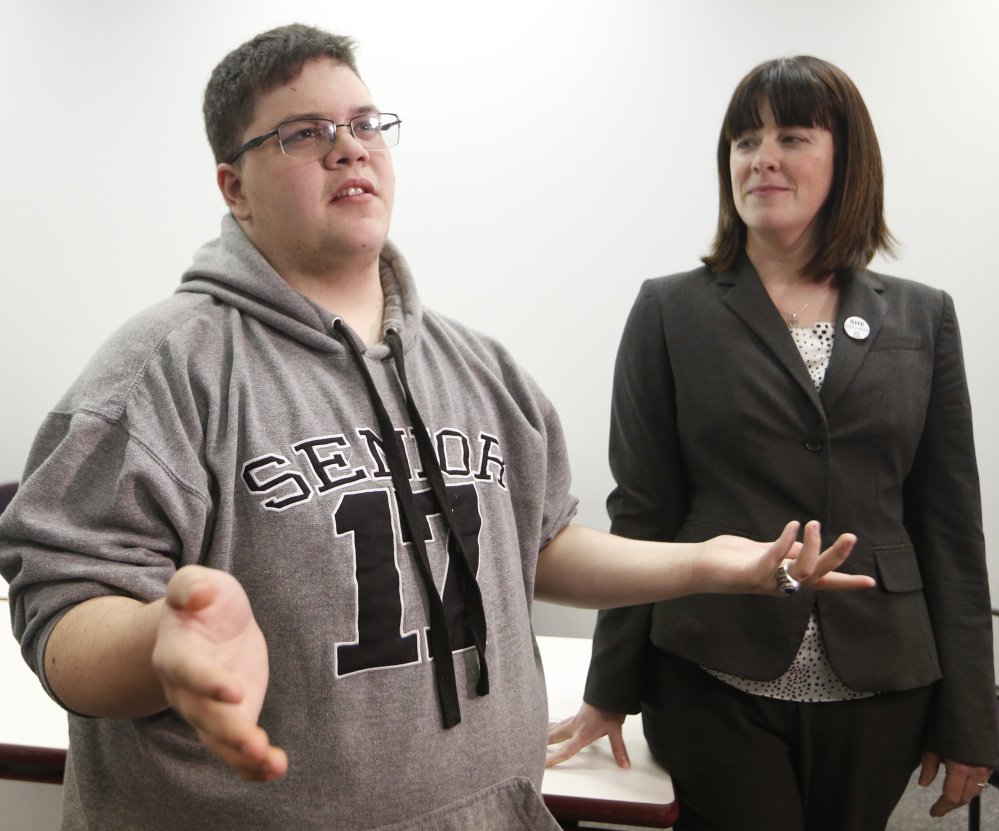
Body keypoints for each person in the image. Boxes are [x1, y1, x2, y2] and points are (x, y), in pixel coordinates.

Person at [0, 31, 869, 830]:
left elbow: (539, 548)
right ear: (235, 187)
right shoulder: (163, 370)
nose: (348, 145)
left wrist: (710, 564)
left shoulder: (479, 369)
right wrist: (160, 642)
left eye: (365, 123)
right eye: (301, 133)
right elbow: (60, 613)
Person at [547, 55, 998, 830]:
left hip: (883, 678)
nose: (761, 158)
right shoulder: (670, 310)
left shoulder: (922, 316)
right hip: (711, 669)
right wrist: (609, 687)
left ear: (845, 159)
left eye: (791, 136)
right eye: (743, 140)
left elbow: (949, 526)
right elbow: (645, 509)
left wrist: (971, 717)